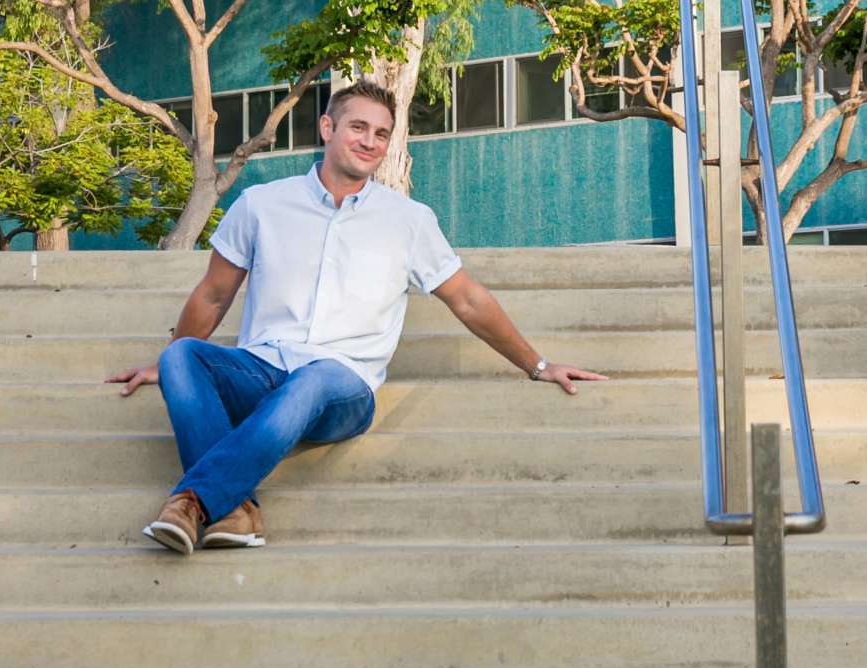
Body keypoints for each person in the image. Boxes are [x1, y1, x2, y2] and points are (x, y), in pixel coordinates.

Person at [108, 80, 607, 552]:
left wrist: (538, 366)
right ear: (327, 129)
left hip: (341, 389)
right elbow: (213, 295)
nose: (370, 141)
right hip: (261, 369)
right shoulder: (261, 205)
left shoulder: (409, 221)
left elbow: (468, 299)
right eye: (358, 127)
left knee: (315, 376)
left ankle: (193, 502)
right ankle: (236, 510)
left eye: (381, 133)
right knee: (181, 357)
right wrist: (168, 364)